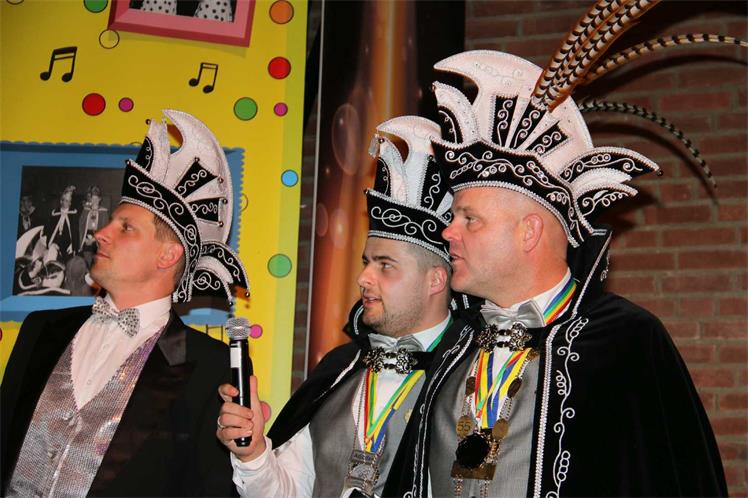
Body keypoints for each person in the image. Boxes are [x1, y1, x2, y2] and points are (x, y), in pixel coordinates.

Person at [384, 38, 728, 498]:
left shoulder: (627, 343)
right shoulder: (452, 344)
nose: (449, 232)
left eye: (469, 219)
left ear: (529, 232)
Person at [217, 116, 470, 497]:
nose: (364, 277)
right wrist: (253, 453)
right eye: (367, 262)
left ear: (435, 280)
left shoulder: (470, 376)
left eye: (385, 265)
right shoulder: (339, 371)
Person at [1, 109, 249, 497]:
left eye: (125, 227)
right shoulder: (40, 329)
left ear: (167, 255)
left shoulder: (209, 366)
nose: (100, 233)